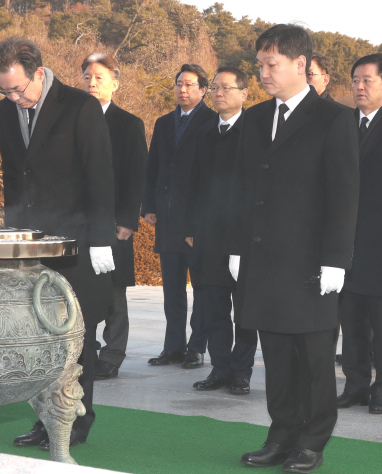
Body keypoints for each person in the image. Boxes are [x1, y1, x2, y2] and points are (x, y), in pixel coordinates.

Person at [225, 24, 359, 473]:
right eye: (260, 64)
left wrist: (336, 260)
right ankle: (281, 434)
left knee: (316, 360)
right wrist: (236, 247)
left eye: (272, 64)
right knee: (277, 357)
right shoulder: (257, 118)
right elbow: (242, 187)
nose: (263, 73)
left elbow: (344, 195)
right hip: (264, 262)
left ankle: (312, 441)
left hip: (311, 265)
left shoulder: (334, 119)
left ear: (300, 64)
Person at [0, 36, 116, 450]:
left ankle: (76, 421)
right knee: (39, 338)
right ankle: (44, 420)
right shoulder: (7, 111)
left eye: (18, 89)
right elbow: (13, 176)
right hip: (33, 246)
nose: (12, 97)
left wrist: (100, 240)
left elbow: (100, 176)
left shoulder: (81, 107)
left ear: (39, 73)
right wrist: (12, 237)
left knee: (76, 338)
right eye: (4, 90)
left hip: (77, 243)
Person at [336, 53, 382, 415]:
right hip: (343, 242)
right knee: (350, 320)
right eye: (355, 80)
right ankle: (355, 385)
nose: (359, 86)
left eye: (367, 80)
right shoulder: (339, 124)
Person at [186, 67, 258, 396]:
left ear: (244, 93)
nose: (218, 93)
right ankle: (220, 367)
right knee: (213, 306)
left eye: (226, 88)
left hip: (245, 237)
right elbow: (193, 184)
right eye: (214, 88)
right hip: (209, 237)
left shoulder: (256, 132)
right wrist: (191, 228)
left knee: (244, 310)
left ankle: (241, 372)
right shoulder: (203, 131)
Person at [141, 64, 217, 369]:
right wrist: (148, 205)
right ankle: (172, 346)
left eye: (189, 85)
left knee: (200, 288)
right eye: (178, 84)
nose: (182, 90)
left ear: (203, 89)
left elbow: (210, 179)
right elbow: (153, 167)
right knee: (171, 289)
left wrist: (200, 223)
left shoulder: (212, 122)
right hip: (168, 220)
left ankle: (196, 347)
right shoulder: (162, 123)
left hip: (196, 222)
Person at [79, 53, 148, 380]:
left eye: (99, 78)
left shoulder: (129, 123)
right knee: (82, 290)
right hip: (80, 222)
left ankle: (112, 355)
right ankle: (83, 351)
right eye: (87, 77)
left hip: (113, 224)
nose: (92, 83)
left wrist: (127, 221)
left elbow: (137, 176)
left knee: (114, 292)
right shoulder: (73, 118)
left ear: (115, 84)